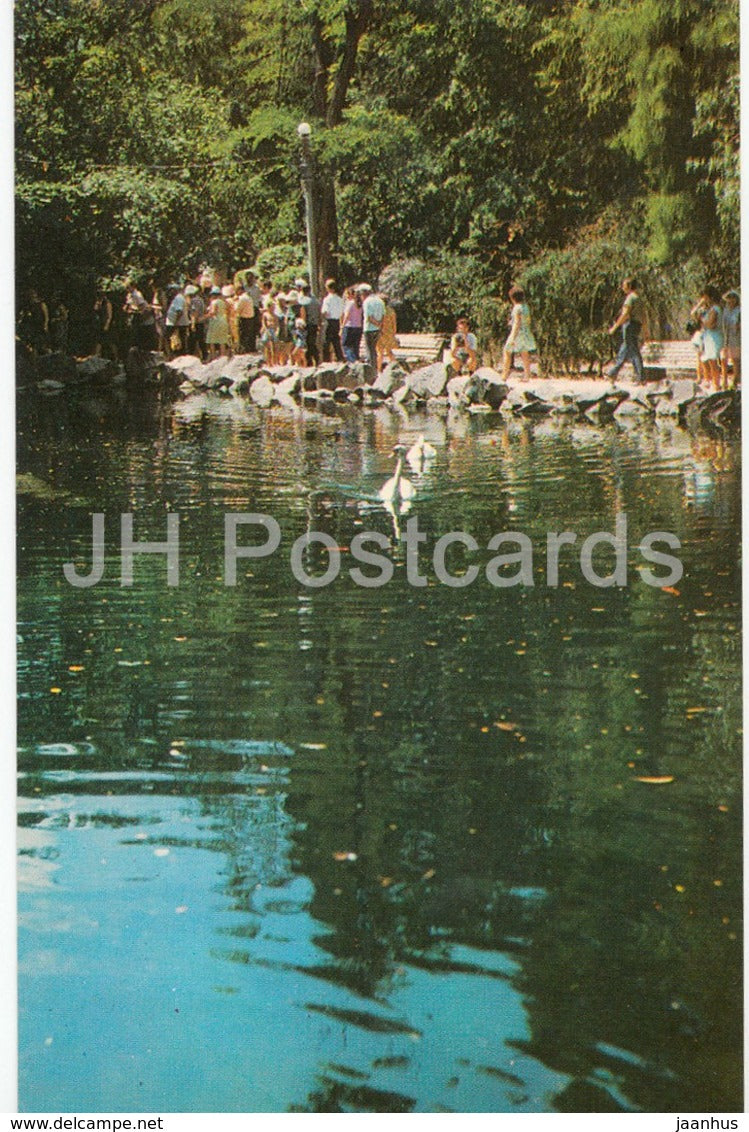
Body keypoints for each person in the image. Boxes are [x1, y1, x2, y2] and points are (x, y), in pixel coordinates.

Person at [606, 277, 645, 384]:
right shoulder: (638, 298)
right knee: (626, 349)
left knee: (632, 350)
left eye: (624, 285)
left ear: (629, 286)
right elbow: (643, 315)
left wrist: (614, 327)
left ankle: (640, 377)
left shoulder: (630, 298)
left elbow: (625, 314)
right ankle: (613, 372)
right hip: (636, 325)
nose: (622, 288)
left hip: (630, 325)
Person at [501, 288, 536, 381]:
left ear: (512, 298)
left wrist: (513, 337)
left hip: (518, 333)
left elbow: (517, 322)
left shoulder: (517, 308)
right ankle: (527, 376)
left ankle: (504, 375)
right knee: (524, 353)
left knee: (507, 351)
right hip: (526, 332)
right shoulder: (525, 307)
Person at [694, 285, 723, 390]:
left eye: (705, 296)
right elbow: (695, 315)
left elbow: (710, 324)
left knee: (714, 362)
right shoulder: (710, 309)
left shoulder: (715, 309)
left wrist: (702, 321)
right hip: (708, 337)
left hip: (713, 337)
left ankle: (717, 384)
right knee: (709, 361)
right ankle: (714, 383)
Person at [124, 280, 158, 351]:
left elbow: (143, 307)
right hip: (137, 317)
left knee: (145, 337)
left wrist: (137, 313)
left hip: (144, 318)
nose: (127, 289)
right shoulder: (130, 295)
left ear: (133, 286)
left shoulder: (137, 295)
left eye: (128, 287)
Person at [361, 284, 384, 375]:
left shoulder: (367, 302)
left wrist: (376, 323)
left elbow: (369, 317)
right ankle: (375, 368)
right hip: (377, 329)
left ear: (364, 293)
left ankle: (371, 369)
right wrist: (380, 325)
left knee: (369, 350)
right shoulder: (380, 301)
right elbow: (383, 315)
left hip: (369, 329)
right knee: (374, 349)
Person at [321, 278, 344, 361]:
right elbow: (342, 312)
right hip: (337, 321)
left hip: (329, 321)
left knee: (326, 341)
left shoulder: (327, 299)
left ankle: (326, 359)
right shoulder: (340, 299)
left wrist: (322, 318)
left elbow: (325, 311)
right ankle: (339, 357)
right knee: (336, 341)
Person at [298, 282, 321, 366]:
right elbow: (319, 313)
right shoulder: (316, 301)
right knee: (312, 342)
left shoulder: (304, 301)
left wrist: (302, 324)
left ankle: (310, 361)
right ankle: (316, 359)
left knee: (308, 343)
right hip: (315, 324)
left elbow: (303, 313)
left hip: (307, 324)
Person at [721, 290, 740, 388]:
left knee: (735, 360)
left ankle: (735, 382)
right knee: (723, 359)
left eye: (733, 298)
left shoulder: (739, 310)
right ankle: (724, 381)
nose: (730, 301)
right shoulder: (726, 310)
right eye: (729, 299)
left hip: (736, 337)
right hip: (726, 337)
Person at [165, 283, 190, 356]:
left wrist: (175, 323)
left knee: (172, 339)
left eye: (171, 290)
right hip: (177, 323)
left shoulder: (178, 298)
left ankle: (173, 355)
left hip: (176, 323)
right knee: (179, 339)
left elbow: (179, 311)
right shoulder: (178, 298)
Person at [205, 285, 230, 358]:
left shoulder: (214, 302)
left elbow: (213, 312)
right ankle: (223, 356)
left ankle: (213, 356)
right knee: (222, 340)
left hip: (215, 322)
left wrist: (203, 317)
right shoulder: (224, 302)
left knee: (212, 340)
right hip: (223, 320)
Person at [340, 286, 363, 363]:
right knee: (356, 346)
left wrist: (342, 327)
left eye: (347, 294)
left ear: (351, 295)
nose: (346, 296)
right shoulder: (359, 304)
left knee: (346, 345)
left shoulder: (350, 303)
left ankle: (352, 361)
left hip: (349, 326)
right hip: (358, 327)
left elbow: (347, 316)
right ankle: (357, 359)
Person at [376, 293, 398, 372]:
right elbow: (394, 323)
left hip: (380, 332)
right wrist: (394, 333)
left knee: (380, 352)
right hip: (389, 333)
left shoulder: (378, 311)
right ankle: (396, 366)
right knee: (389, 351)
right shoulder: (391, 310)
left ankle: (378, 370)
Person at [185, 284, 206, 359]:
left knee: (192, 340)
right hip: (201, 322)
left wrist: (193, 324)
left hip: (196, 322)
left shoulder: (194, 301)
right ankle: (203, 355)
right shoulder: (200, 299)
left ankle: (191, 356)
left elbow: (194, 313)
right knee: (201, 340)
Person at [92, 290, 114, 358]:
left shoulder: (107, 303)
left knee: (109, 341)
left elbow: (110, 315)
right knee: (99, 340)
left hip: (106, 324)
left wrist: (107, 325)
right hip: (100, 324)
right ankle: (97, 355)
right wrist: (98, 303)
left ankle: (115, 356)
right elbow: (95, 309)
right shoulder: (99, 303)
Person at [235, 283, 255, 353]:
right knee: (249, 334)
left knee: (242, 335)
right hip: (251, 318)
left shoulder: (242, 298)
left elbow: (237, 309)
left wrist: (235, 301)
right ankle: (248, 349)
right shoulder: (249, 297)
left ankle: (242, 350)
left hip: (244, 318)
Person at [260, 295, 279, 365]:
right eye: (272, 307)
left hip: (273, 330)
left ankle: (274, 362)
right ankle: (268, 362)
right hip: (267, 330)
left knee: (274, 347)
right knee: (267, 347)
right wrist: (266, 330)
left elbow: (277, 324)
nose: (273, 308)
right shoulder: (265, 314)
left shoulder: (275, 315)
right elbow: (263, 323)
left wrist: (277, 331)